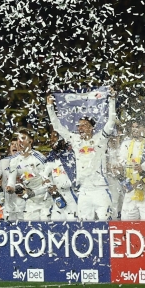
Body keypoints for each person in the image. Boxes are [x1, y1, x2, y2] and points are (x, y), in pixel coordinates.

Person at [46, 91, 117, 220]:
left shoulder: (100, 139)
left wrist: (112, 100)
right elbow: (57, 126)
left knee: (106, 224)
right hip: (83, 190)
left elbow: (111, 121)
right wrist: (50, 107)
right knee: (84, 226)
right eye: (79, 126)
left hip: (100, 189)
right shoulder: (75, 140)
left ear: (92, 128)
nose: (81, 128)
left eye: (84, 125)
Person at [5, 131, 53, 221]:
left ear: (30, 141)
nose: (19, 141)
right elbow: (11, 182)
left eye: (23, 138)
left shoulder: (39, 159)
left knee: (47, 231)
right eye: (18, 139)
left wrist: (33, 193)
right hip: (31, 202)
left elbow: (49, 184)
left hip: (46, 200)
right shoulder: (14, 161)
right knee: (30, 229)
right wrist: (11, 189)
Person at [118, 122, 145, 220]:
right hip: (130, 191)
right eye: (132, 127)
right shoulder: (126, 144)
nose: (134, 129)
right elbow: (121, 168)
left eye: (137, 126)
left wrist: (140, 183)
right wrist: (119, 171)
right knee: (126, 225)